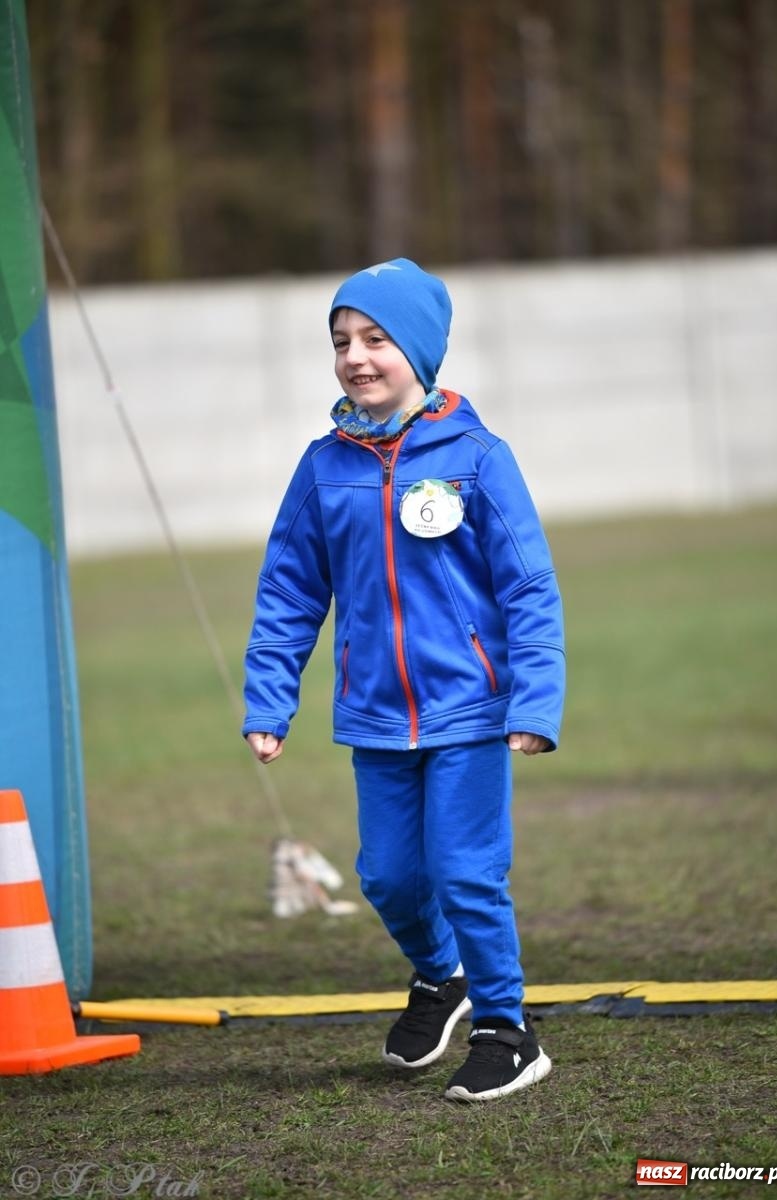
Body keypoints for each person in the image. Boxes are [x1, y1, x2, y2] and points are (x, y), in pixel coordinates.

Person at [243, 258, 566, 1102]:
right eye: (341, 340)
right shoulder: (322, 467)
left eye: (376, 338)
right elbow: (287, 589)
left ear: (417, 351)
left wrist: (533, 700)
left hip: (469, 711)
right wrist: (270, 698)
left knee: (465, 870)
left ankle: (507, 1028)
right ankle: (440, 976)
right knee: (386, 875)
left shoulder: (479, 458)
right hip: (374, 716)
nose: (355, 356)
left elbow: (528, 587)